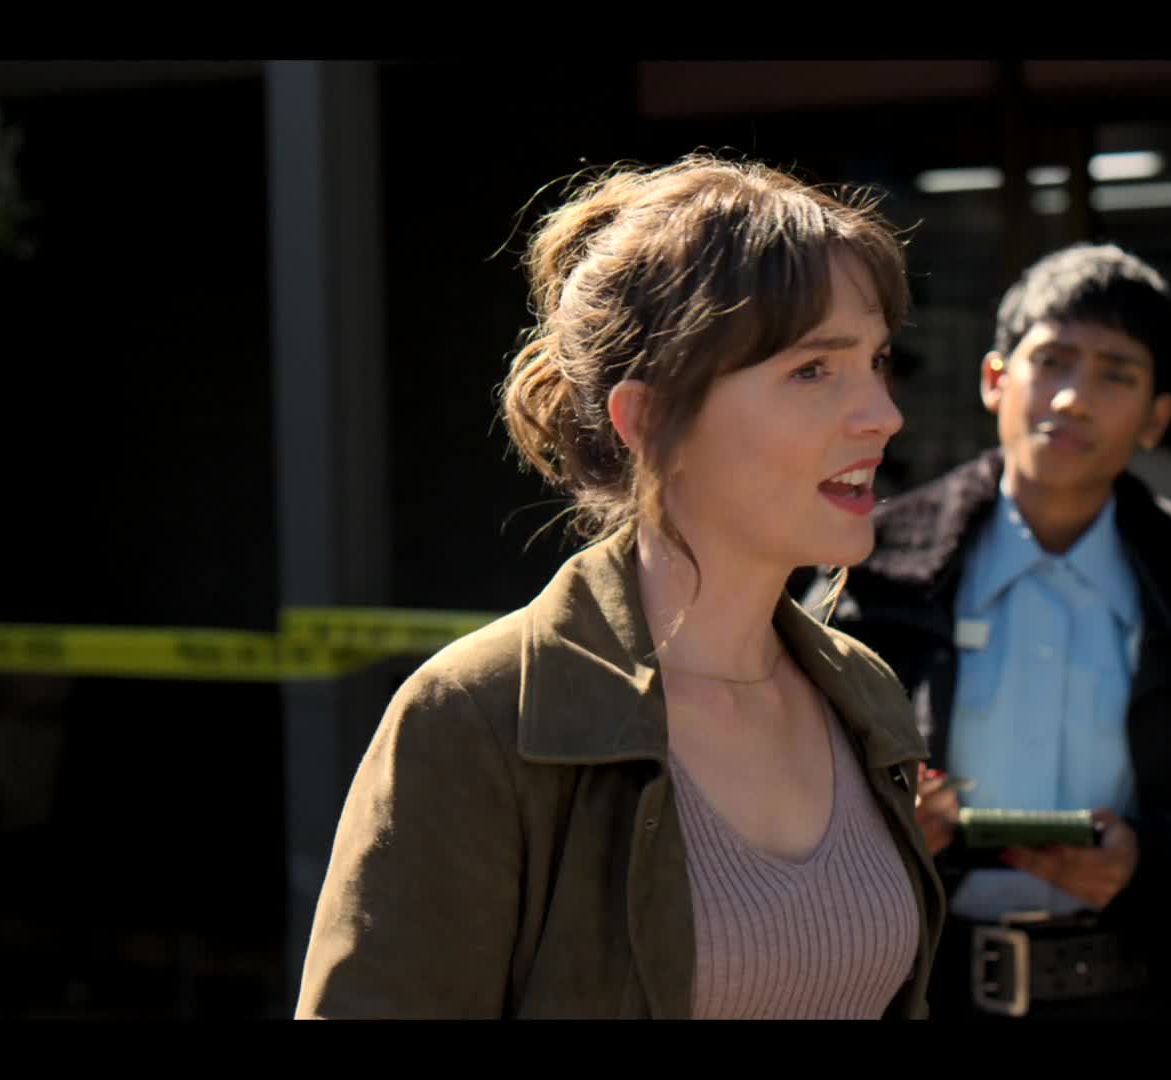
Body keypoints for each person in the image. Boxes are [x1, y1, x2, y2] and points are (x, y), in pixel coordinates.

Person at [296, 154, 946, 1019]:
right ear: (649, 419)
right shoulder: (482, 718)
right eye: (813, 371)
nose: (883, 415)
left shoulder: (864, 696)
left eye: (877, 361)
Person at [806, 242, 1171, 1019]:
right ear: (995, 380)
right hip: (928, 992)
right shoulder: (869, 569)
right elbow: (768, 798)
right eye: (1052, 361)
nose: (1072, 399)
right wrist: (885, 834)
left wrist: (1152, 867)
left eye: (1117, 375)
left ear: (1156, 419)